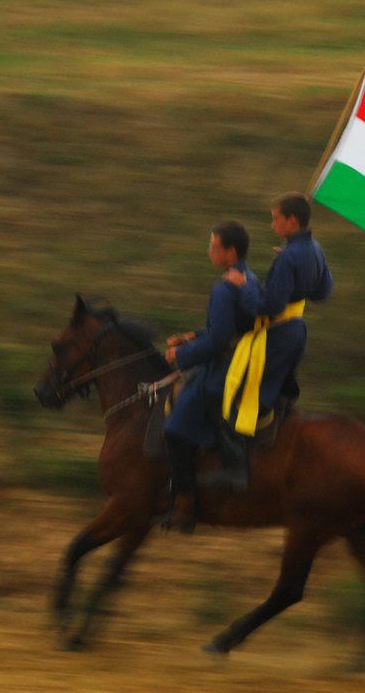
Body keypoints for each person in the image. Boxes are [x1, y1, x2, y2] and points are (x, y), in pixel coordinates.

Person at [162, 220, 257, 533]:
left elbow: (218, 342)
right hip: (242, 361)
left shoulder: (223, 288)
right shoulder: (248, 278)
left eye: (213, 247)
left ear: (230, 252)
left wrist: (181, 356)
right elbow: (224, 330)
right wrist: (191, 336)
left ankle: (185, 506)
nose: (209, 252)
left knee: (175, 429)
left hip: (224, 371)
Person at [223, 192, 332, 428]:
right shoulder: (315, 249)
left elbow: (270, 306)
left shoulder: (289, 256)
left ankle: (237, 456)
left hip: (277, 335)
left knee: (235, 397)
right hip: (298, 332)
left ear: (291, 220)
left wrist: (243, 285)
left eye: (275, 218)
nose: (272, 225)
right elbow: (323, 292)